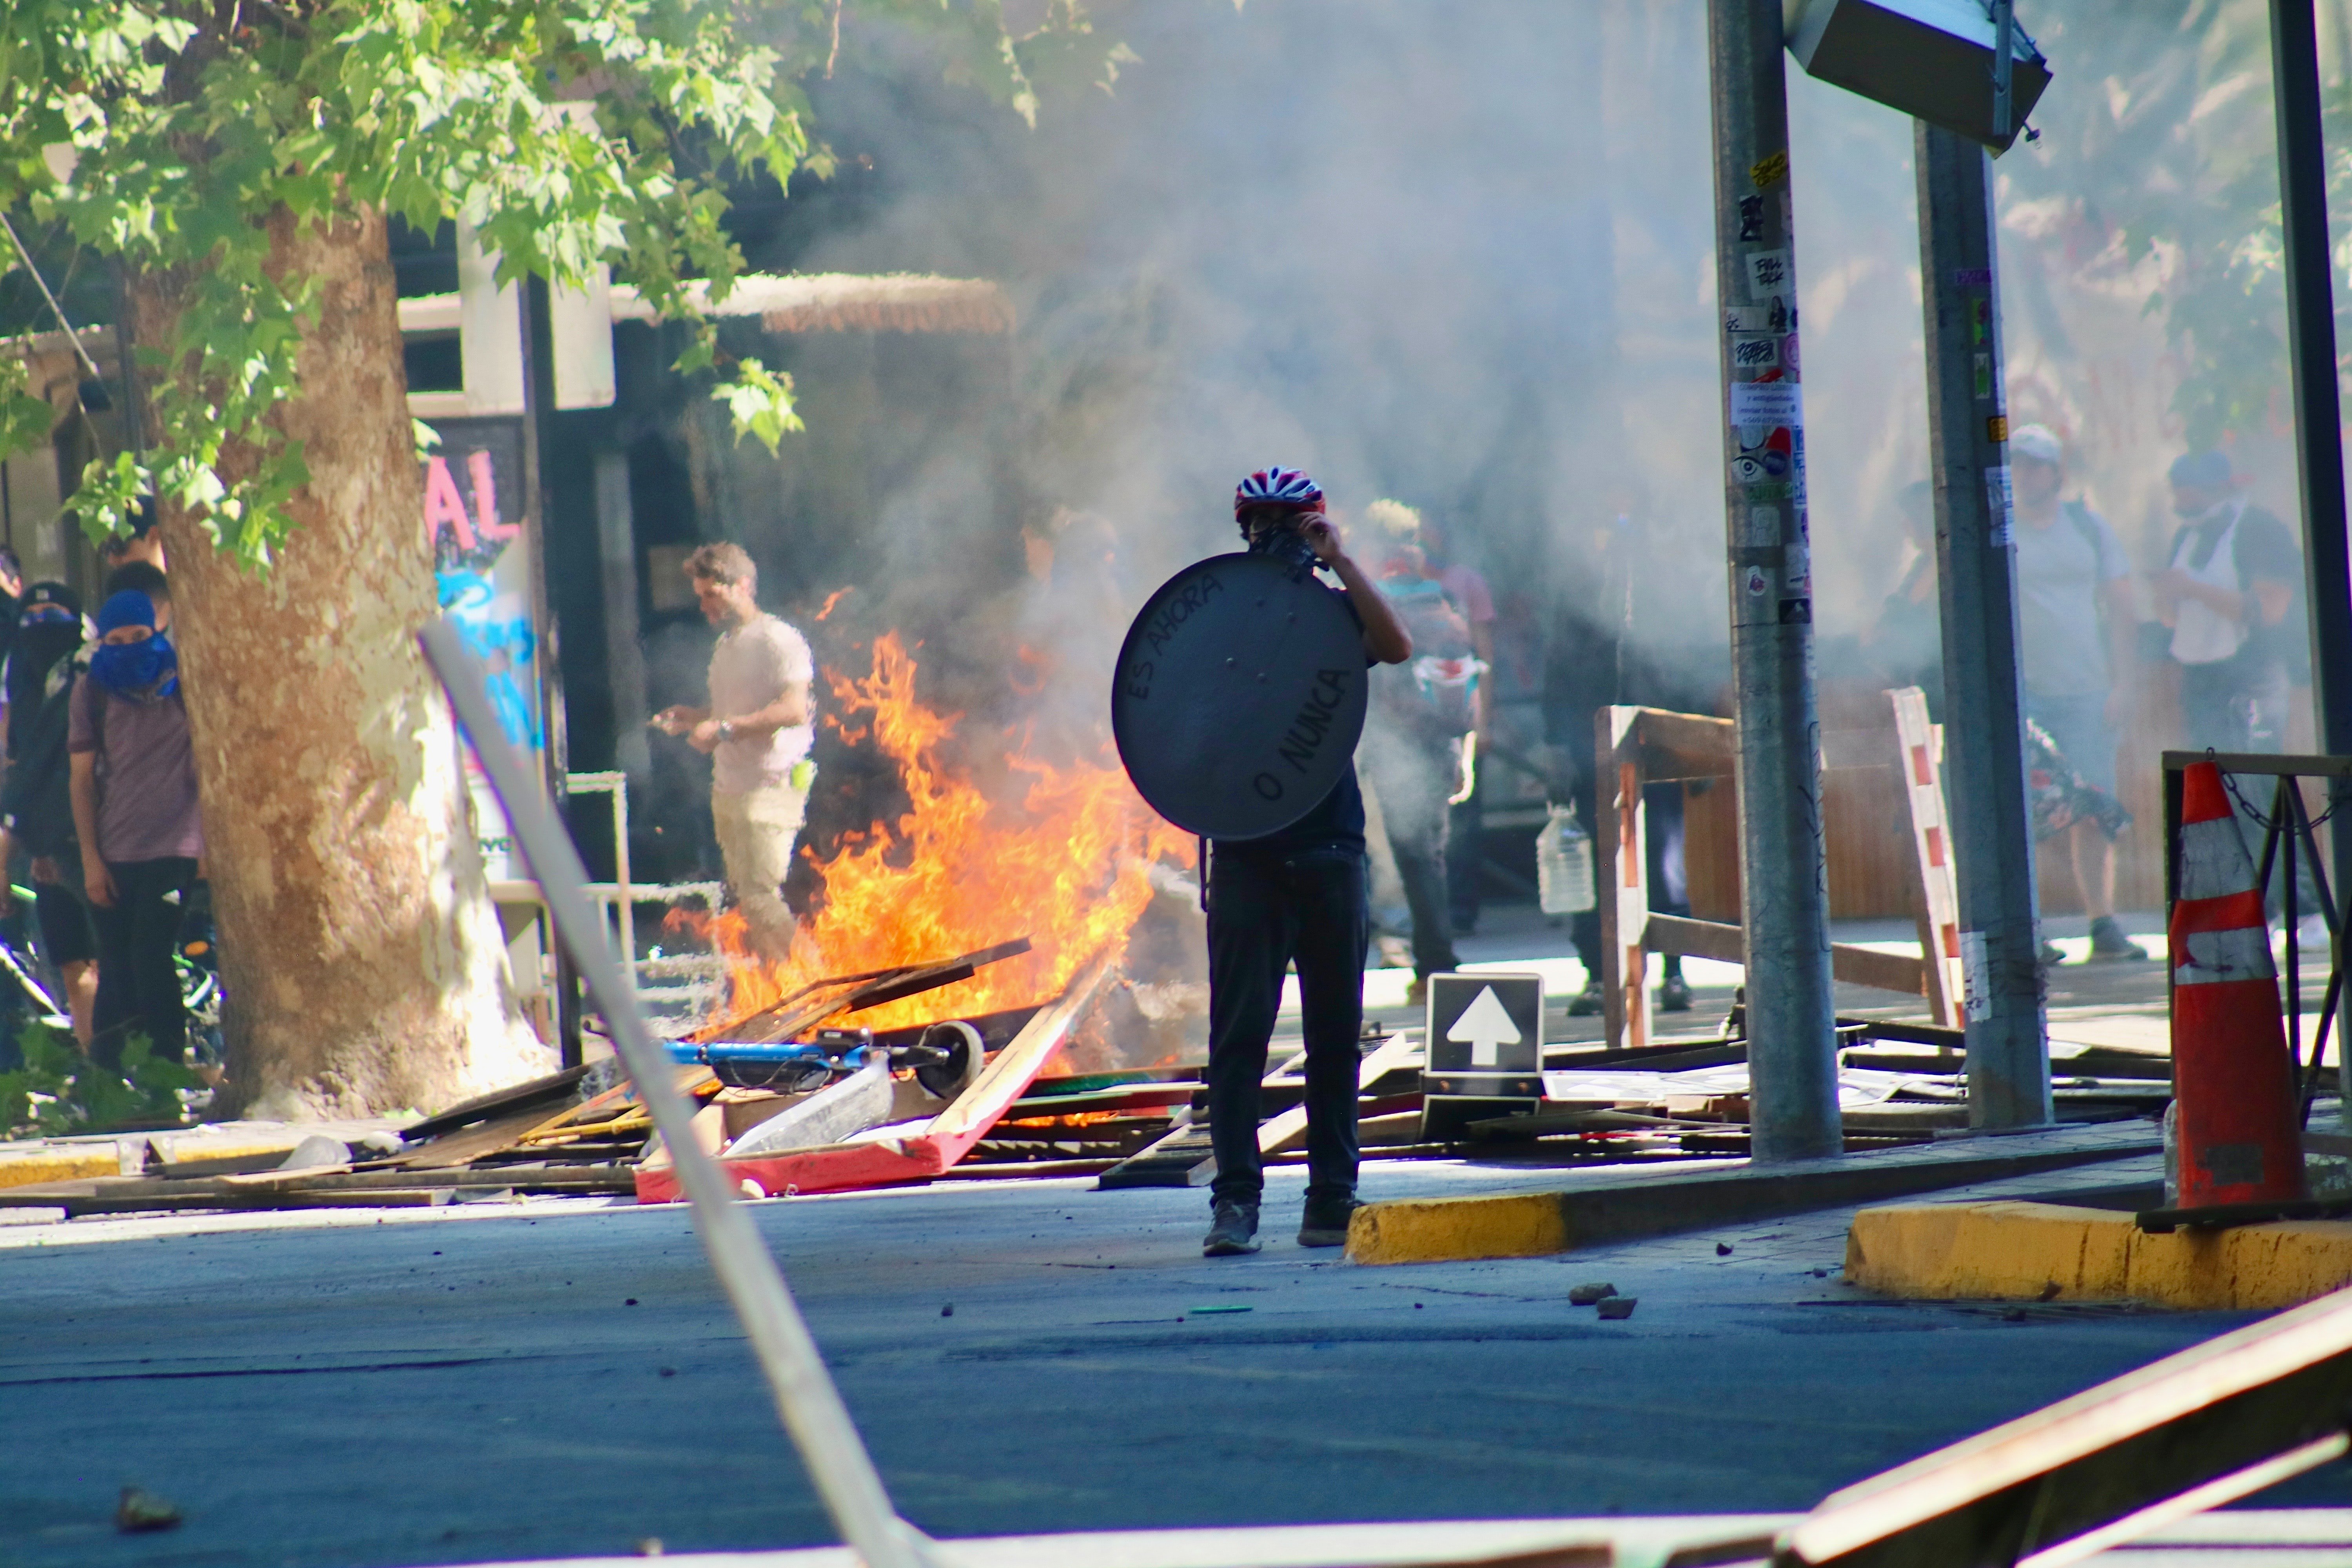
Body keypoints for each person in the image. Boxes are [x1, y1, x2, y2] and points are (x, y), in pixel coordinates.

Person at [1202, 467, 1413, 1258]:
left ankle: (1332, 1197)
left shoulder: (1332, 617)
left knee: (1333, 1034)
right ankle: (1235, 1203)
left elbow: (1395, 645)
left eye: (1295, 524)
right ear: (1243, 530)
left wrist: (1344, 563)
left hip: (1329, 843)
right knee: (1239, 1037)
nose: (1278, 537)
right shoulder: (1218, 621)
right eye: (1265, 524)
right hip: (1247, 849)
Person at [2009, 425, 2144, 962]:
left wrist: (2126, 681)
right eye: (2018, 464)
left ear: (2057, 473)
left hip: (2088, 691)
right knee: (2025, 810)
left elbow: (2121, 604)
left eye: (2036, 465)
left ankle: (2103, 925)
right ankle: (2027, 927)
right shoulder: (2002, 528)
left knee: (2093, 806)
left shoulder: (2087, 527)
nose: (2026, 474)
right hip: (2023, 696)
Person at [651, 543, 815, 962]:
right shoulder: (727, 646)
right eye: (701, 595)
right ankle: (785, 998)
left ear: (742, 587)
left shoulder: (778, 640)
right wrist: (695, 717)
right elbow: (732, 713)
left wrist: (723, 729)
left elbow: (794, 709)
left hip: (770, 788)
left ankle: (821, 982)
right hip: (731, 791)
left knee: (760, 898)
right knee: (749, 902)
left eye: (712, 594)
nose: (704, 604)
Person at [71, 590, 202, 1070]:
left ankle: (167, 1069)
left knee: (152, 954)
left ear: (157, 631)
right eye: (118, 639)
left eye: (140, 637)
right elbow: (81, 779)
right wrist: (90, 857)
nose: (130, 647)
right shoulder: (91, 691)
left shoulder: (186, 680)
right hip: (115, 846)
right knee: (117, 963)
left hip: (176, 843)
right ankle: (105, 1076)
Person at [1355, 527, 1472, 1003]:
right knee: (1431, 857)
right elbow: (1466, 681)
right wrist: (1464, 751)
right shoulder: (1446, 611)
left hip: (1393, 752)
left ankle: (1435, 966)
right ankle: (1436, 963)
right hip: (1440, 746)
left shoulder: (1378, 606)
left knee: (1411, 858)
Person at [0, 583, 96, 1042]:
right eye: (31, 614)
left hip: (97, 840)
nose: (41, 623)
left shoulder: (90, 674)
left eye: (52, 612)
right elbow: (22, 764)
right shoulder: (19, 682)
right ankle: (93, 1063)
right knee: (70, 961)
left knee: (108, 958)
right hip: (45, 849)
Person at [2157, 448, 2300, 756]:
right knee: (2209, 785)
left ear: (2216, 489)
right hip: (2201, 683)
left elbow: (2270, 611)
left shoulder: (2259, 528)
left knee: (2254, 783)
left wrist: (2194, 589)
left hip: (2252, 680)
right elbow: (2170, 619)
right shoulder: (2186, 536)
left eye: (2189, 496)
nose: (2181, 506)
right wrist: (2166, 595)